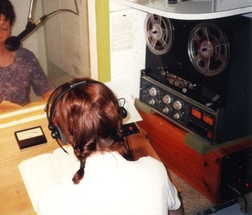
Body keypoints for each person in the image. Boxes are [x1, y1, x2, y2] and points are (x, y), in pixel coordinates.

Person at [39, 78, 183, 215]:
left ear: (62, 135)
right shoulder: (155, 170)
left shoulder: (51, 202)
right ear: (118, 120)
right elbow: (176, 211)